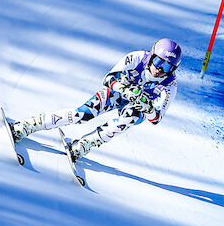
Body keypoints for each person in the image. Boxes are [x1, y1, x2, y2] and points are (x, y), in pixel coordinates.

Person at [9, 38, 181, 163]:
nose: (159, 69)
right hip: (118, 92)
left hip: (137, 106)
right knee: (82, 114)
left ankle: (85, 144)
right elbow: (109, 78)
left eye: (167, 67)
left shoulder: (169, 86)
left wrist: (148, 108)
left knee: (130, 117)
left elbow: (157, 118)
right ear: (151, 56)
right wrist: (124, 89)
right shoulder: (137, 58)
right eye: (158, 62)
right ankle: (30, 124)